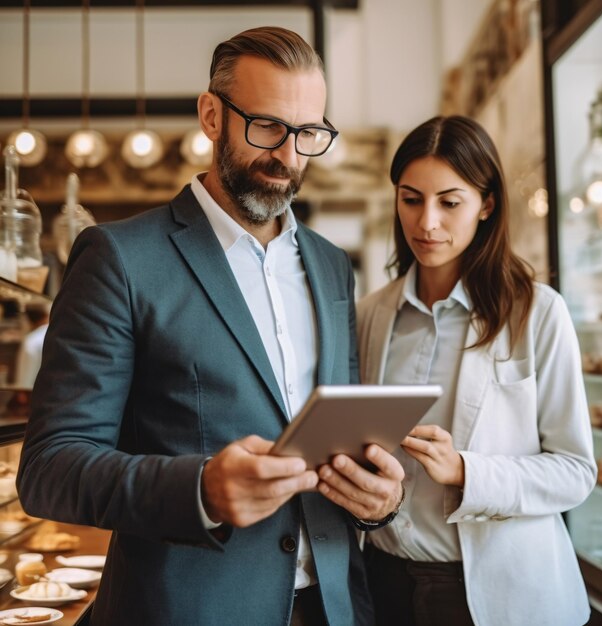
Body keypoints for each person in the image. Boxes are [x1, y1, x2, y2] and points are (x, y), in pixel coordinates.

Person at [17, 26, 405, 626]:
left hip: (332, 608)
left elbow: (337, 445)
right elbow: (50, 468)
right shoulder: (120, 258)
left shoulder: (331, 266)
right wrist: (200, 489)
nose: (288, 156)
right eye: (268, 127)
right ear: (211, 116)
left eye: (308, 133)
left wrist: (377, 500)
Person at [357, 115, 597, 626]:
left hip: (494, 593)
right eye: (411, 198)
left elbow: (575, 473)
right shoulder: (370, 315)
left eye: (450, 201)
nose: (427, 223)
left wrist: (468, 471)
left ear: (486, 204)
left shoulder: (537, 312)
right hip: (382, 582)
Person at [14, 303, 50, 389]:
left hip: (37, 394)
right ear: (46, 316)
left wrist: (22, 392)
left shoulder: (31, 340)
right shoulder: (57, 336)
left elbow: (26, 377)